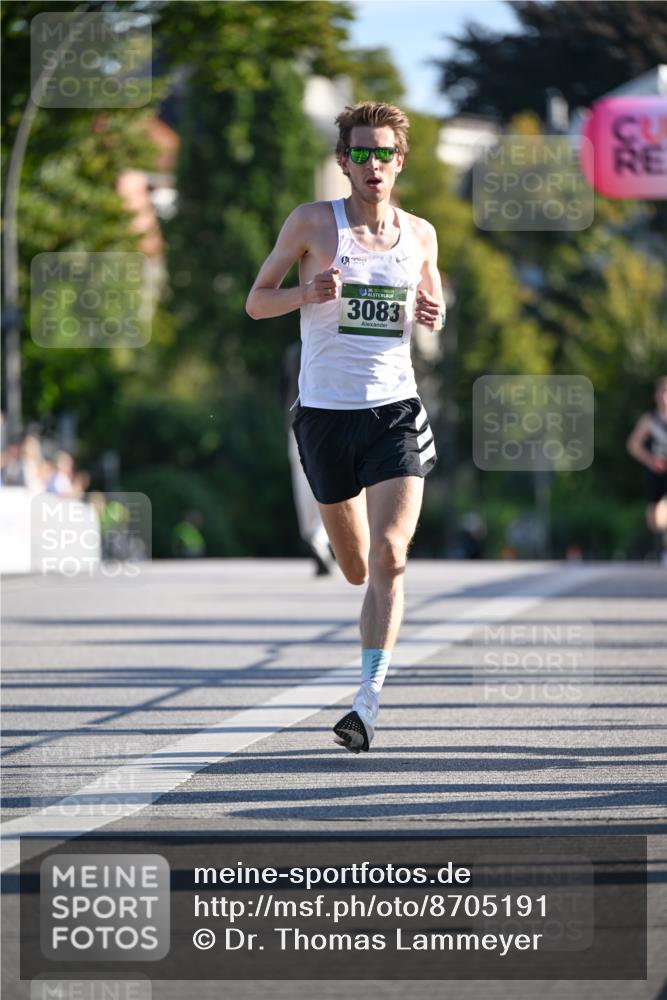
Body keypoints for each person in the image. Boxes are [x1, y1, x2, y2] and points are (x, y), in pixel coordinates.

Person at [247, 102, 444, 752]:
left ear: (399, 161)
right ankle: (352, 577)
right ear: (343, 162)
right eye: (361, 153)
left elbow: (433, 303)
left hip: (395, 412)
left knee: (390, 555)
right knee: (357, 568)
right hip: (325, 417)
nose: (372, 164)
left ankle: (366, 702)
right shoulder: (311, 222)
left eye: (383, 153)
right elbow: (256, 301)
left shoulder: (421, 234)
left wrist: (432, 314)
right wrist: (303, 294)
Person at [280, 340, 335, 576]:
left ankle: (313, 535)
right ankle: (320, 536)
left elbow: (282, 393)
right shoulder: (337, 344)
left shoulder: (293, 352)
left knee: (303, 484)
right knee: (331, 483)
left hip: (298, 424)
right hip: (332, 422)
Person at [626, 376, 667, 565]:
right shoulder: (650, 420)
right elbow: (633, 445)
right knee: (655, 520)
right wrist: (651, 460)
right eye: (663, 392)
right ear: (656, 395)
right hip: (655, 472)